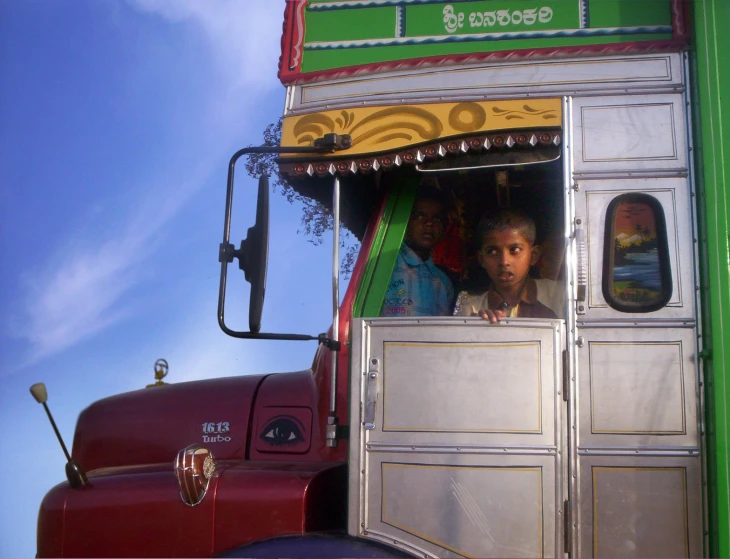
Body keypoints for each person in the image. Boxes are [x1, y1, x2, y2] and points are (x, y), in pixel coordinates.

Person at [455, 209, 557, 322]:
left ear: (533, 256)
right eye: (492, 252)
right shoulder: (471, 311)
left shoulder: (560, 295)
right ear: (481, 259)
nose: (504, 261)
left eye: (515, 250)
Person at [380, 187, 454, 317]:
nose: (429, 223)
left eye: (437, 219)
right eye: (419, 216)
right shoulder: (384, 268)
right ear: (406, 222)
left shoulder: (443, 283)